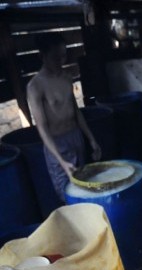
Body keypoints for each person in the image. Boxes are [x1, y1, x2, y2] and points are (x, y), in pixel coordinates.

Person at [27, 33, 101, 202]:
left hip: (75, 137)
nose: (61, 61)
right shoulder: (35, 86)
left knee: (83, 185)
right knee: (67, 192)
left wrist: (91, 139)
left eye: (63, 56)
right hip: (56, 144)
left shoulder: (67, 78)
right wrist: (60, 160)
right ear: (42, 56)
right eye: (55, 58)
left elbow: (76, 112)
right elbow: (42, 128)